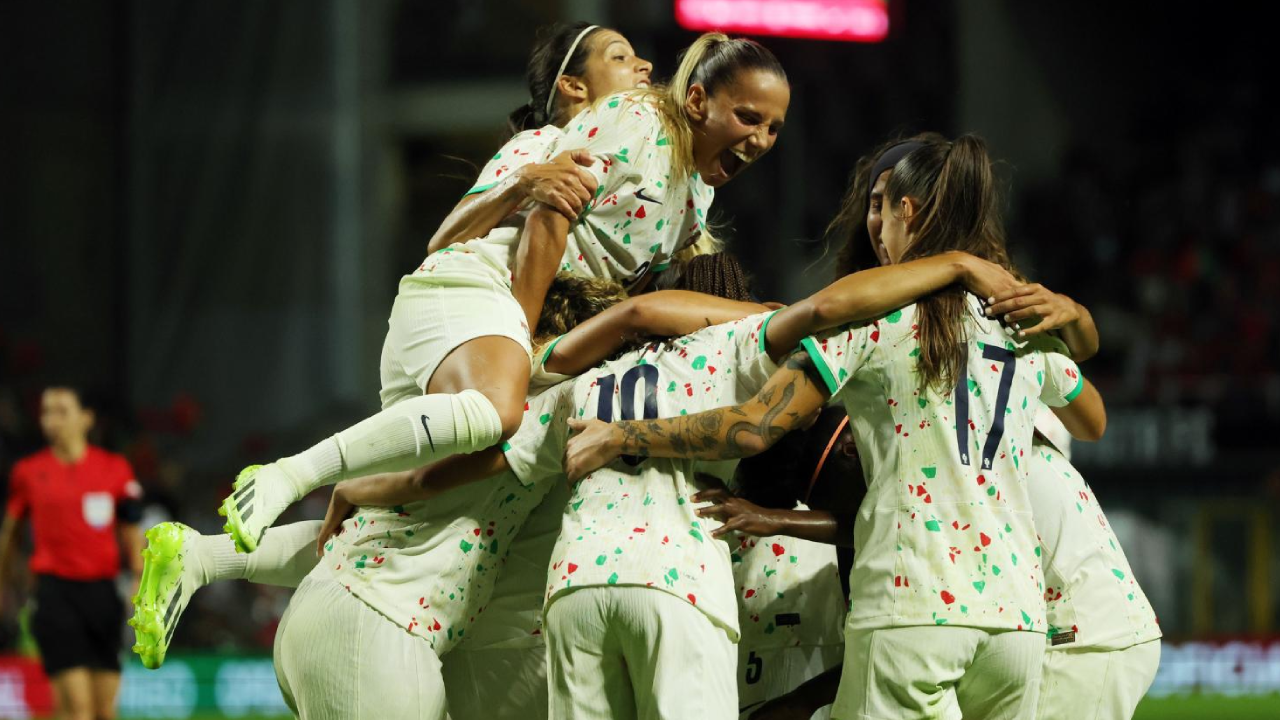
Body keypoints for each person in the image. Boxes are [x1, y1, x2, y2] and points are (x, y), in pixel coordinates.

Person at [564, 134, 1110, 720]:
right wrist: (1074, 320)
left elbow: (752, 427)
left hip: (914, 605)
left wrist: (619, 435)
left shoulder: (872, 324)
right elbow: (1092, 421)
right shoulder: (1020, 326)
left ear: (906, 210)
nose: (876, 230)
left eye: (883, 209)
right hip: (1017, 621)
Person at [216, 30, 793, 558]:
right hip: (483, 287)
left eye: (774, 128)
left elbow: (629, 294)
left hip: (535, 317)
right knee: (497, 413)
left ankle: (211, 559)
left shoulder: (694, 191)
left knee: (439, 512)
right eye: (620, 56)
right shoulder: (600, 130)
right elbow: (481, 233)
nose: (644, 66)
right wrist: (525, 333)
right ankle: (290, 475)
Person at [0, 386, 144, 720]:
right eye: (46, 412)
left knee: (104, 711)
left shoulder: (115, 469)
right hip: (55, 594)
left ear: (86, 418)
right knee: (79, 708)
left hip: (104, 595)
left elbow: (131, 529)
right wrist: (4, 581)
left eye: (62, 411)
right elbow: (11, 533)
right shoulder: (28, 472)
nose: (51, 420)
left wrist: (139, 577)